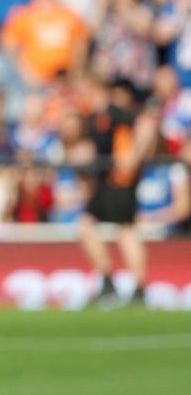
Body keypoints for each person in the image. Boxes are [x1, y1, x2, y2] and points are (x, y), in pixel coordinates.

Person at [79, 79, 159, 307]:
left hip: (120, 180)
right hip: (105, 181)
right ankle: (108, 280)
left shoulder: (115, 112)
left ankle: (138, 287)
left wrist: (136, 153)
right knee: (87, 226)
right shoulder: (95, 117)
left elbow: (146, 124)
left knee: (126, 230)